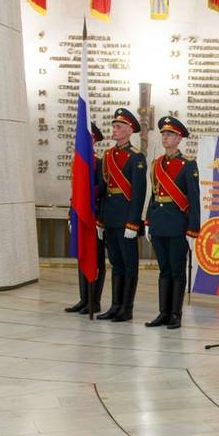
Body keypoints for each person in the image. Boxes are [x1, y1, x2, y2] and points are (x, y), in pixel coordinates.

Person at [144, 116, 200, 330]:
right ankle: (163, 312)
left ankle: (176, 314)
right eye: (164, 134)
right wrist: (148, 220)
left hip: (178, 224)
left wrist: (193, 229)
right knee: (164, 270)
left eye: (169, 134)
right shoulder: (156, 164)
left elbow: (194, 200)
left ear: (179, 138)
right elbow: (154, 194)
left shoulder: (188, 165)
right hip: (158, 223)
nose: (165, 137)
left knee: (177, 270)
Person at [96, 108, 147, 322]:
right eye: (114, 126)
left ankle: (127, 307)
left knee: (129, 264)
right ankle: (115, 305)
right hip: (110, 217)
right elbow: (104, 189)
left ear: (129, 130)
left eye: (118, 127)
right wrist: (100, 219)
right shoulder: (108, 155)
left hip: (126, 218)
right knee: (115, 263)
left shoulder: (137, 157)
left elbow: (138, 193)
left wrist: (133, 222)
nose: (114, 130)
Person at [65, 123, 107, 314]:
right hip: (79, 215)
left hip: (94, 215)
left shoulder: (98, 163)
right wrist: (71, 213)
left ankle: (94, 300)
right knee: (82, 256)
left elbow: (103, 188)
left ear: (93, 140)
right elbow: (74, 191)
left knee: (96, 259)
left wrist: (86, 195)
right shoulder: (78, 162)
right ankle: (84, 298)